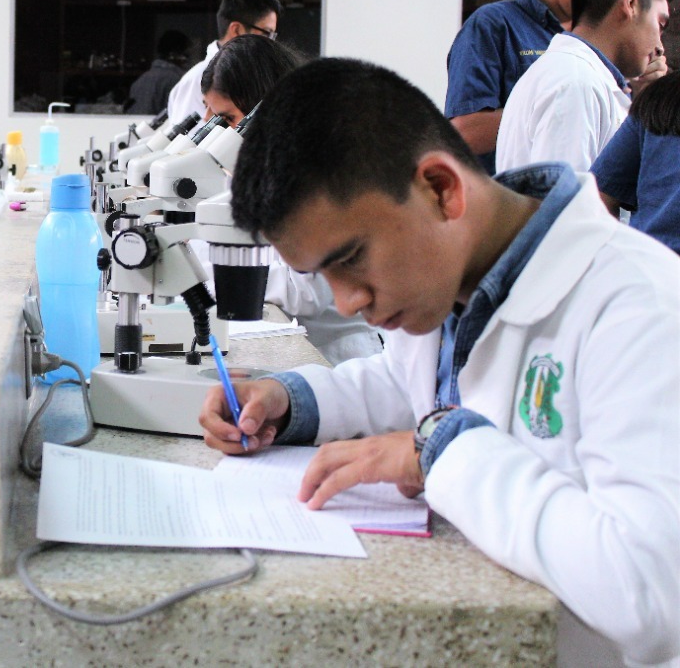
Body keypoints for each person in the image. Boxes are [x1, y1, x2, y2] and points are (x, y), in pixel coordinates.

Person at [198, 57, 679, 666]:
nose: (346, 302)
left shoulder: (640, 306)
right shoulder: (449, 282)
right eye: (321, 274)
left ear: (440, 188)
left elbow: (651, 594)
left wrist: (441, 452)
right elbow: (409, 386)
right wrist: (292, 401)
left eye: (351, 258)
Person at [200, 35, 382, 365]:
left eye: (225, 119)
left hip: (338, 357)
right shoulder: (262, 163)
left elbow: (306, 292)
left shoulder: (322, 169)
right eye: (207, 111)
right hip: (291, 343)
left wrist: (215, 277)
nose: (208, 126)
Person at [445, 0, 638, 174]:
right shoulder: (494, 25)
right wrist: (552, 101)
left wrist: (639, 96)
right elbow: (465, 133)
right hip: (510, 198)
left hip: (589, 192)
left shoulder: (603, 39)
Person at [495, 0, 674, 173]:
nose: (660, 48)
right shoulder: (576, 83)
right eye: (660, 24)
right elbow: (566, 192)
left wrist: (645, 101)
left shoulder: (576, 75)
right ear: (630, 3)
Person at [166, 0, 281, 127]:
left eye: (273, 35)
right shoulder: (196, 80)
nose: (271, 42)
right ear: (237, 30)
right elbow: (190, 139)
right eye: (267, 33)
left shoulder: (255, 74)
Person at [592, 71, 680, 254]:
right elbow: (599, 197)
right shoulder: (664, 96)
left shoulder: (662, 95)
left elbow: (597, 198)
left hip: (647, 257)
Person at [125, 30, 189, 116]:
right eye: (186, 55)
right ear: (173, 54)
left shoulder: (141, 80)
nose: (187, 60)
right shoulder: (176, 80)